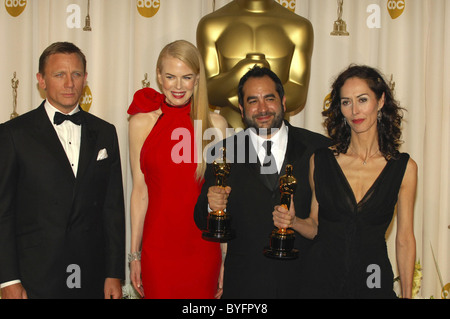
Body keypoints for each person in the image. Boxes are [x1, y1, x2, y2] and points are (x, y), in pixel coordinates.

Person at [274, 65, 417, 298]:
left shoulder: (404, 168)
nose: (354, 111)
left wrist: (408, 294)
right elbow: (316, 227)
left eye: (362, 100)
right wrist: (293, 221)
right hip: (320, 281)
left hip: (373, 278)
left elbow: (404, 238)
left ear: (380, 101)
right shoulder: (320, 161)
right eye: (346, 102)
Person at [0, 42, 126, 299]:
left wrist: (113, 273)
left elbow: (112, 209)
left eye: (76, 74)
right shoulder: (13, 134)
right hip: (34, 276)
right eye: (59, 75)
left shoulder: (105, 132)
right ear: (41, 80)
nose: (70, 83)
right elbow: (4, 212)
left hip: (91, 274)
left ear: (85, 79)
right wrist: (8, 279)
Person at [194, 66, 330, 298]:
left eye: (269, 98)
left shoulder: (319, 149)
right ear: (241, 108)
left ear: (283, 102)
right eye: (253, 101)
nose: (263, 108)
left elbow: (332, 220)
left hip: (306, 283)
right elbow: (200, 219)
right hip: (246, 285)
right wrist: (211, 205)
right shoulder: (222, 152)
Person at [127, 40, 228, 299]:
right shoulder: (141, 123)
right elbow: (140, 192)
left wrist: (226, 257)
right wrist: (134, 255)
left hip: (203, 247)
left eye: (187, 77)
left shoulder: (216, 125)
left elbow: (223, 199)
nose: (179, 86)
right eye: (171, 77)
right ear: (159, 76)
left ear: (197, 80)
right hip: (157, 247)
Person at [196, 0, 314, 129]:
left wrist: (248, 101)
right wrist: (238, 73)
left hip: (277, 133)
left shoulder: (299, 27)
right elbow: (208, 92)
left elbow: (297, 94)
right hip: (229, 131)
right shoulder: (211, 24)